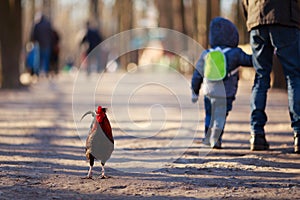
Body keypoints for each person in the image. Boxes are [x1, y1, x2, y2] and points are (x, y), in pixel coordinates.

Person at [242, 0, 300, 153]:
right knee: (294, 75)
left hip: (257, 18)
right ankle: (298, 133)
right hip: (285, 17)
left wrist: (250, 18)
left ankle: (256, 134)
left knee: (261, 77)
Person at [191, 17, 253, 149]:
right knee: (220, 115)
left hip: (209, 91)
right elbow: (250, 61)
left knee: (209, 114)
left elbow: (197, 75)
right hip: (227, 93)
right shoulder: (236, 53)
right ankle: (217, 138)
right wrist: (263, 54)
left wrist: (195, 91)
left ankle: (207, 138)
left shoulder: (206, 54)